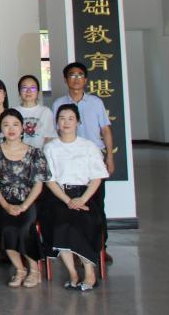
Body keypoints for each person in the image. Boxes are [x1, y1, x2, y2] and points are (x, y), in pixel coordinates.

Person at [0, 109, 49, 288]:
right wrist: (6, 205)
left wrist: (24, 206)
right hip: (0, 201)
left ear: (22, 128)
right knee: (7, 227)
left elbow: (38, 185)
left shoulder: (35, 153)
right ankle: (20, 269)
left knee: (25, 227)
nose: (11, 129)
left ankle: (34, 270)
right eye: (6, 125)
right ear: (0, 128)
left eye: (15, 124)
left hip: (28, 200)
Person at [44, 103, 109, 291]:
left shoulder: (89, 146)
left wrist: (82, 200)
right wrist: (68, 200)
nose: (66, 122)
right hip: (59, 196)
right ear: (57, 123)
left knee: (83, 223)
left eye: (71, 118)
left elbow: (97, 177)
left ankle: (89, 273)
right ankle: (72, 273)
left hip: (85, 195)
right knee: (60, 224)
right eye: (62, 118)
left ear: (78, 122)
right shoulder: (50, 148)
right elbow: (50, 181)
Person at [52, 63, 115, 176]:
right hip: (68, 154)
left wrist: (110, 157)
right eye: (72, 75)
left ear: (85, 80)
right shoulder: (58, 104)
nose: (76, 79)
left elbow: (105, 130)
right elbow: (56, 132)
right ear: (65, 79)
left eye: (80, 75)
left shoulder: (96, 102)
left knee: (96, 185)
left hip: (94, 153)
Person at [16, 74, 56, 149]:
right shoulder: (13, 112)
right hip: (17, 154)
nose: (28, 91)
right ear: (19, 92)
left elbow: (49, 138)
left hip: (39, 154)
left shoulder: (45, 112)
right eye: (24, 88)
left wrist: (41, 154)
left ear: (37, 92)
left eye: (33, 88)